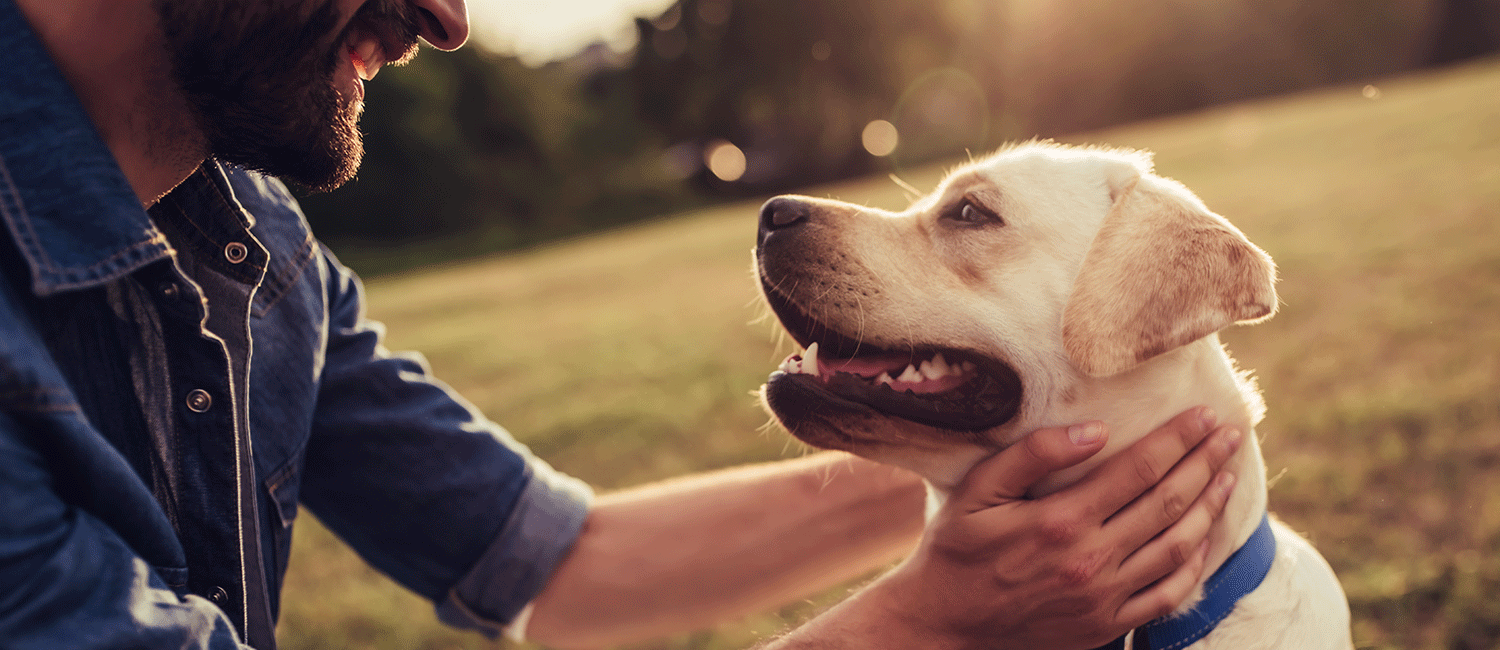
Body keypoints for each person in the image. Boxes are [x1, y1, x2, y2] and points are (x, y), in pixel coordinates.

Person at [0, 0, 1244, 649]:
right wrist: (926, 624)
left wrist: (1047, 459)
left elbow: (562, 562)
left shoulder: (255, 248)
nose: (447, 18)